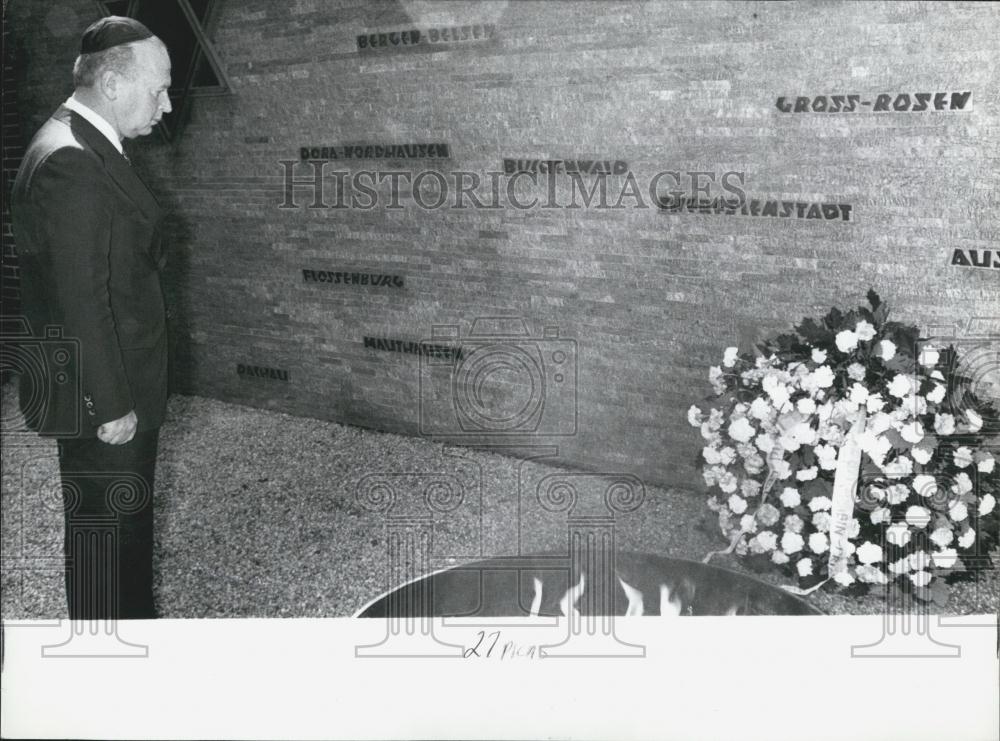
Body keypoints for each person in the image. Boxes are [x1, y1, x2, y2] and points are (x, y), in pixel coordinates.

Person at [11, 16, 173, 619]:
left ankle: (121, 658)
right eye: (157, 88)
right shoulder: (73, 161)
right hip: (104, 394)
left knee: (106, 537)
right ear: (111, 82)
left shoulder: (72, 139)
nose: (166, 104)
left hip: (94, 382)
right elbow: (81, 296)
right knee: (110, 540)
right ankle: (114, 676)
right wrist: (111, 405)